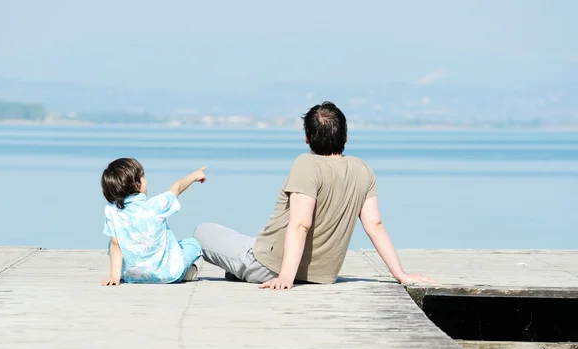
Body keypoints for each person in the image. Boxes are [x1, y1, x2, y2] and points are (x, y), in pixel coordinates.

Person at [194, 101, 433, 290]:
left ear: (307, 138)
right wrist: (401, 274)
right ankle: (239, 270)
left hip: (269, 265)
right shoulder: (363, 169)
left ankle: (241, 270)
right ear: (345, 137)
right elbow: (376, 225)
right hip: (323, 276)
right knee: (246, 241)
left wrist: (285, 277)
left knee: (202, 232)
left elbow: (301, 224)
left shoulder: (306, 165)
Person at [100, 158, 207, 286]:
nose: (146, 180)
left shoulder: (112, 210)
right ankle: (187, 271)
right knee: (192, 244)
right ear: (137, 184)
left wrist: (114, 277)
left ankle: (122, 273)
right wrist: (195, 175)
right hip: (168, 274)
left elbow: (115, 246)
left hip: (132, 275)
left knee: (114, 242)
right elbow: (177, 187)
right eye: (143, 176)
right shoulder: (156, 205)